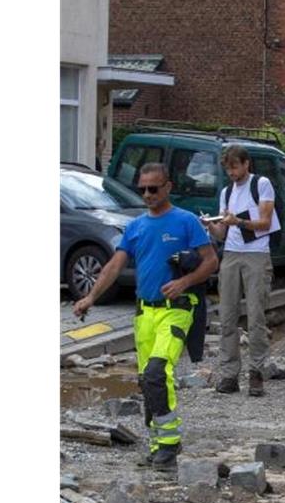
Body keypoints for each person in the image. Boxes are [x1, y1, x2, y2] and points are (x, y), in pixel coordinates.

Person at [73, 163, 217, 470]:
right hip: (144, 314)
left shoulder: (186, 221)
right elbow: (114, 265)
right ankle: (157, 444)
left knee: (156, 372)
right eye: (143, 189)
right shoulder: (136, 227)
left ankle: (169, 443)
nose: (148, 194)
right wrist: (90, 297)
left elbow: (211, 261)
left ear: (167, 187)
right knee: (147, 380)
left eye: (154, 188)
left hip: (177, 309)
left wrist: (184, 282)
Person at [207, 145, 283, 398]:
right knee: (227, 315)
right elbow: (222, 232)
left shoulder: (261, 184)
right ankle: (229, 374)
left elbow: (264, 222)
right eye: (228, 169)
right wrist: (210, 226)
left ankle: (256, 373)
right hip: (231, 253)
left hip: (257, 254)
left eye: (235, 167)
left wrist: (237, 221)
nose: (231, 173)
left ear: (246, 164)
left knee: (255, 316)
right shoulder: (226, 192)